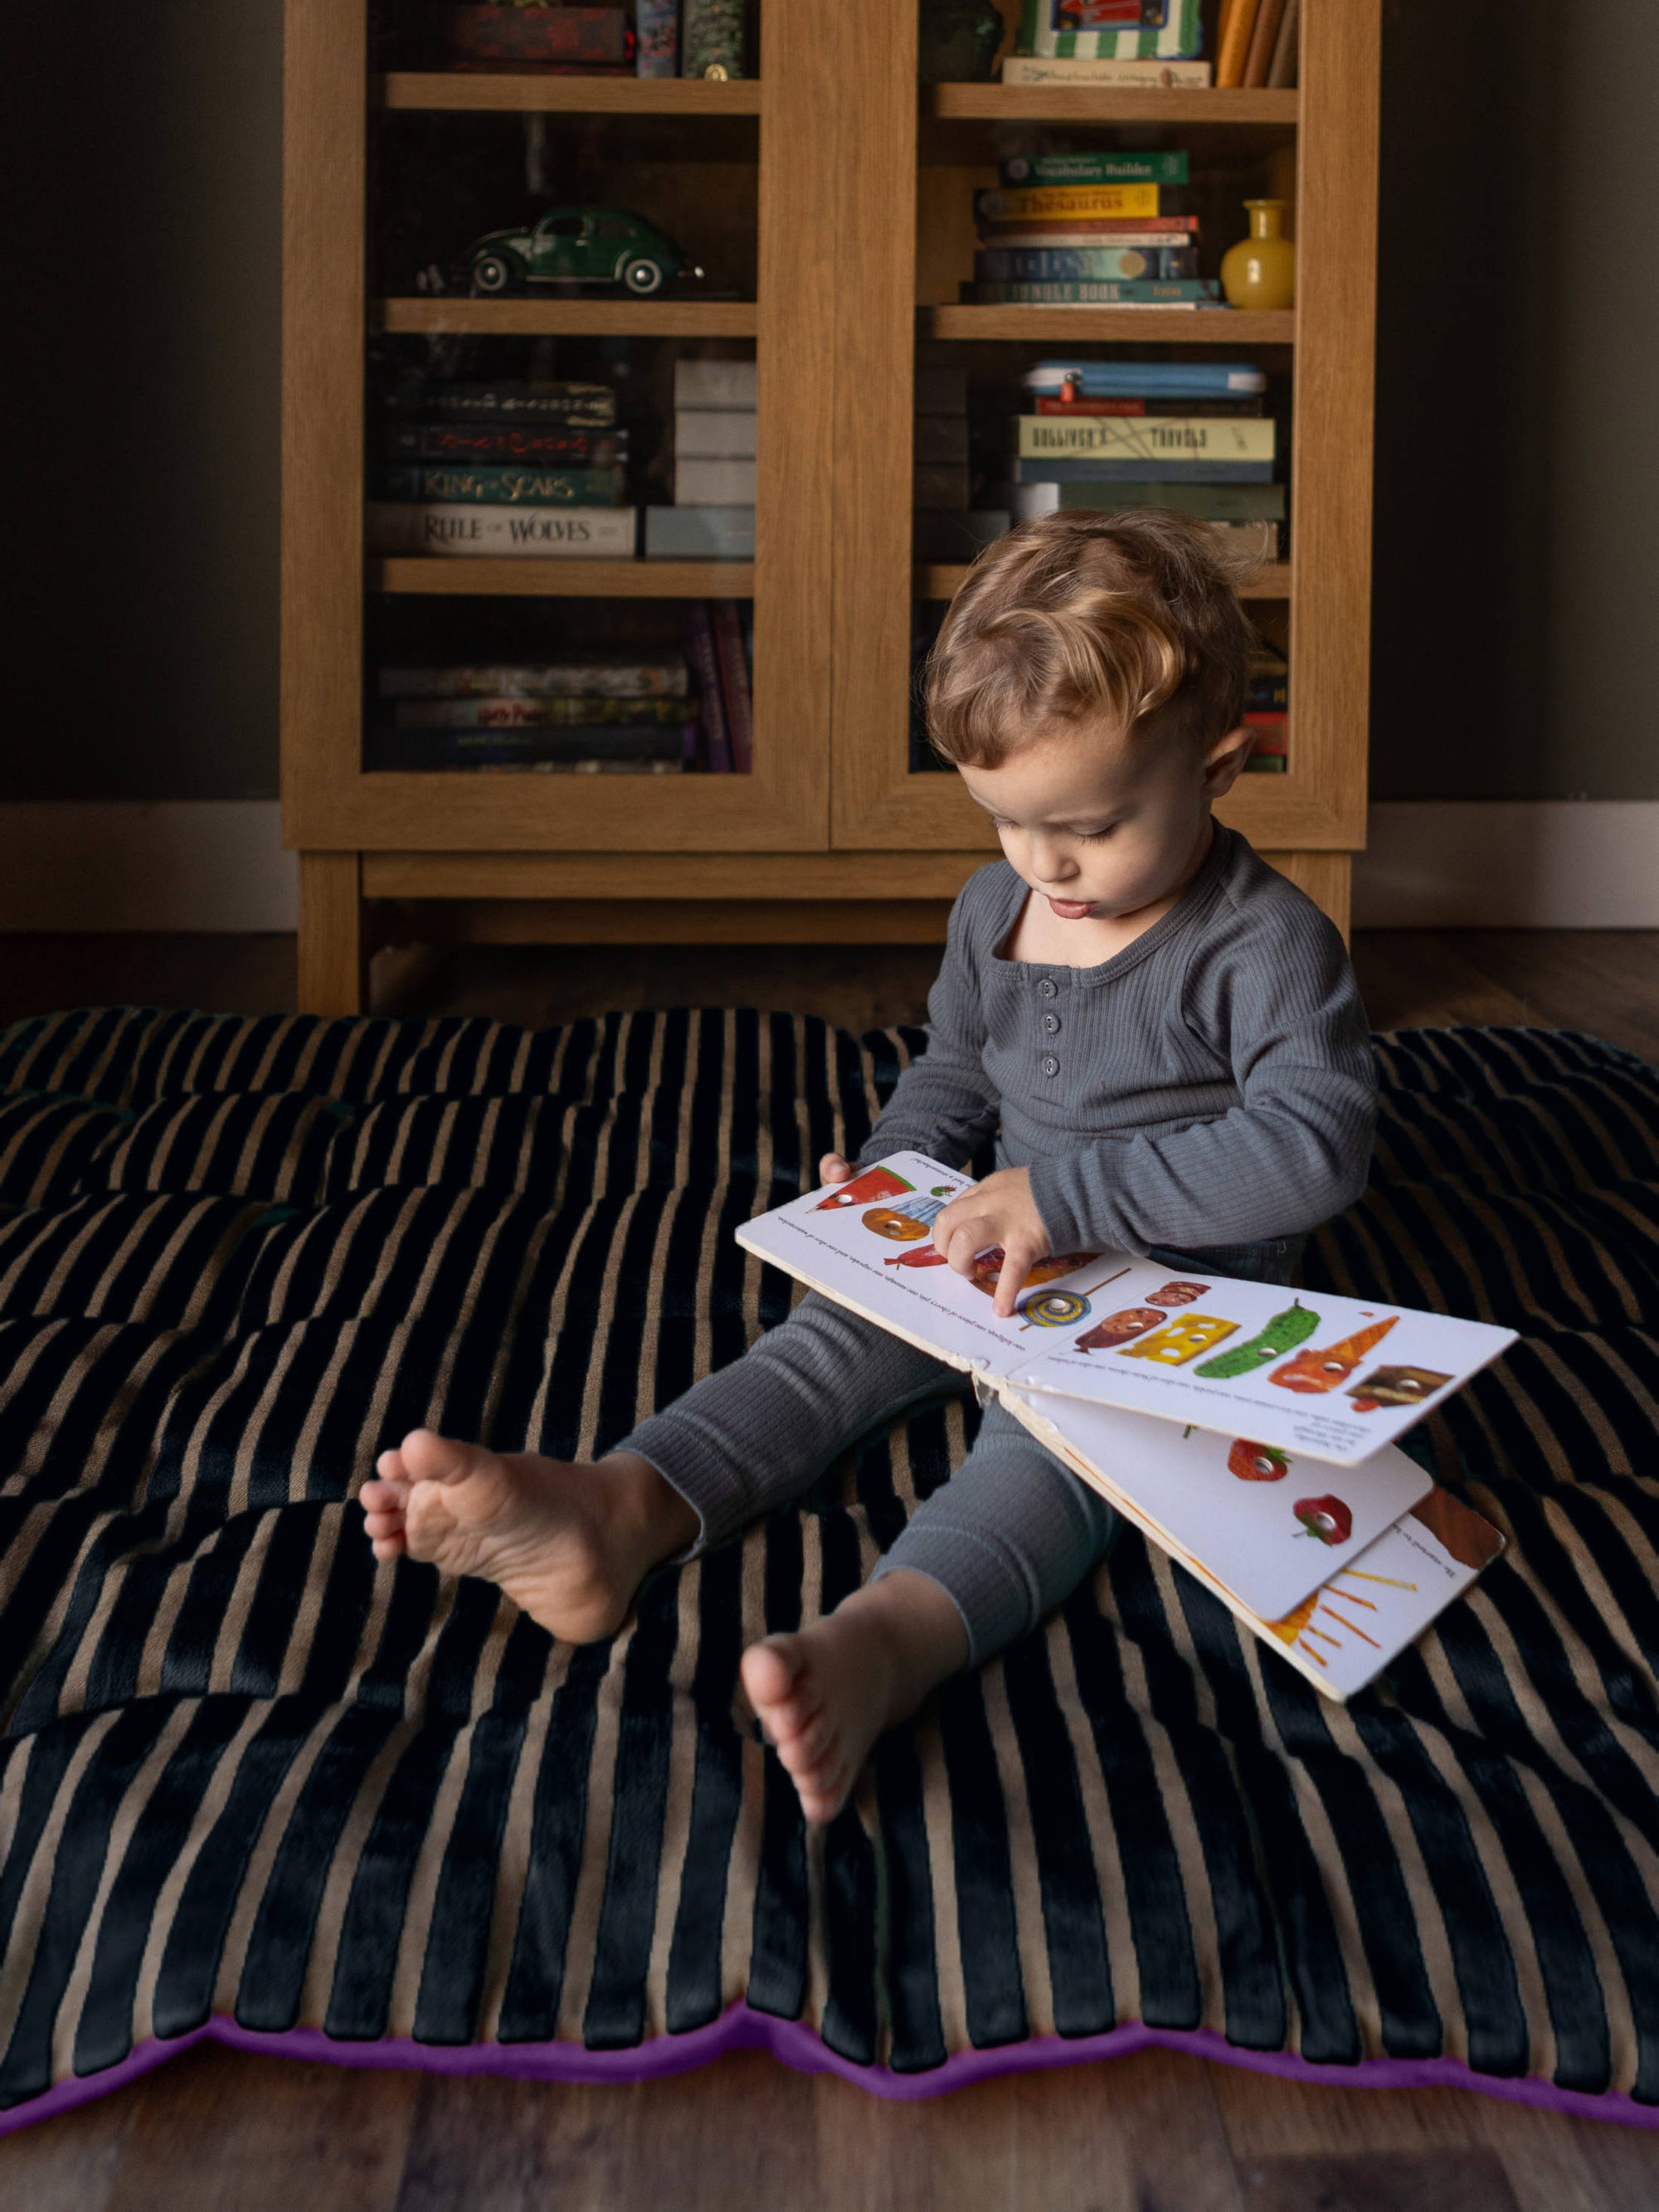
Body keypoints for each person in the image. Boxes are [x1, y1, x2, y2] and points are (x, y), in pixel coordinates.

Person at [359, 510, 1376, 1823]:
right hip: (995, 1239)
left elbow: (1317, 1146)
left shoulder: (1267, 943)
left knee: (1053, 1456)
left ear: (1221, 767)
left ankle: (884, 1642)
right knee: (823, 1344)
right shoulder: (994, 906)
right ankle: (618, 1509)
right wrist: (896, 1180)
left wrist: (1068, 1197)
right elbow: (956, 1071)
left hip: (1170, 1294)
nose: (1046, 865)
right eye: (1008, 822)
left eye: (1093, 826)